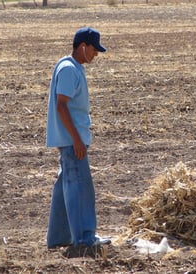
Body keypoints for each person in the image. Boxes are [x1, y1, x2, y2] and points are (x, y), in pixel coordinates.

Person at [45, 27, 110, 256]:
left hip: (72, 140)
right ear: (82, 46)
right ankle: (84, 238)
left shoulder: (73, 68)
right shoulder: (69, 69)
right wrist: (77, 140)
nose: (96, 54)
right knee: (80, 188)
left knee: (65, 187)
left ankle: (59, 236)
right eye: (94, 49)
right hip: (72, 142)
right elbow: (61, 105)